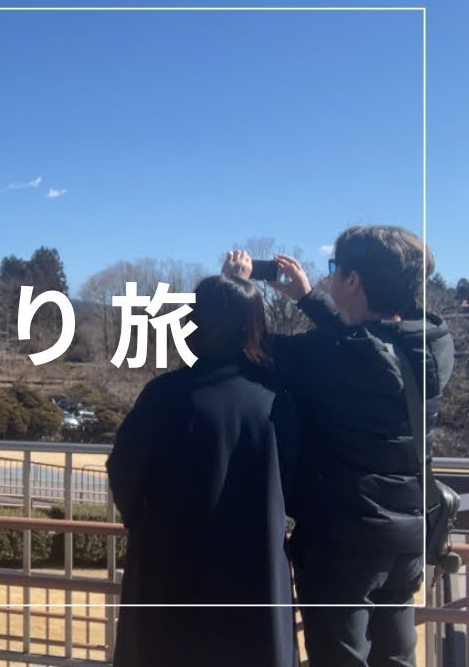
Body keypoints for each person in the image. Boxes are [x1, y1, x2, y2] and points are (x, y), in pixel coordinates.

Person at [223, 225, 455, 667]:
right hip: (408, 534)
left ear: (353, 280)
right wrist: (309, 300)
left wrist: (233, 290)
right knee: (397, 657)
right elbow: (371, 346)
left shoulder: (328, 355)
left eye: (336, 268)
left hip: (343, 539)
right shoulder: (433, 343)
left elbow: (249, 349)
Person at [107, 274, 297, 667]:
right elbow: (298, 482)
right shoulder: (275, 400)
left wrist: (146, 522)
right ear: (255, 326)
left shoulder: (164, 395)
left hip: (169, 561)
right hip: (255, 564)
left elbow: (124, 470)